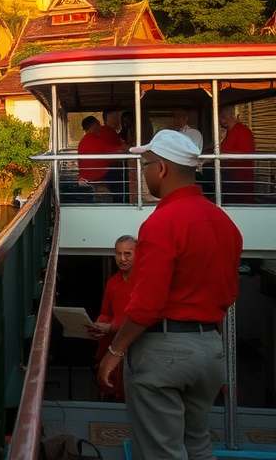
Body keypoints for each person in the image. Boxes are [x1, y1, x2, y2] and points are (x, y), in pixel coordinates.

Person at [98, 130, 242, 460]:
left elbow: (147, 305)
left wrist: (115, 351)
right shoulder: (225, 222)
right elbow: (229, 294)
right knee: (198, 445)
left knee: (162, 452)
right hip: (210, 350)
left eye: (145, 164)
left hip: (165, 353)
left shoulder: (161, 222)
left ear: (161, 169)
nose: (143, 172)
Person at [86, 235, 136, 401]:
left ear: (138, 254)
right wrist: (98, 326)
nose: (122, 259)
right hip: (111, 344)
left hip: (135, 348)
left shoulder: (144, 281)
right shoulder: (113, 282)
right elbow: (106, 313)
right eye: (118, 253)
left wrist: (112, 327)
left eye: (127, 254)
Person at [77, 116, 122, 201]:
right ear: (94, 125)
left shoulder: (84, 141)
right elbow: (115, 152)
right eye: (98, 123)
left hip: (86, 175)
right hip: (97, 175)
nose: (100, 126)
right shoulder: (97, 140)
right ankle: (121, 201)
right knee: (118, 176)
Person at [220, 105, 256, 204]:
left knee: (241, 202)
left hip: (240, 176)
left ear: (231, 117)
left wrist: (224, 155)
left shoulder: (243, 131)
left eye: (223, 116)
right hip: (228, 175)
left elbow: (246, 152)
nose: (221, 119)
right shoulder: (229, 132)